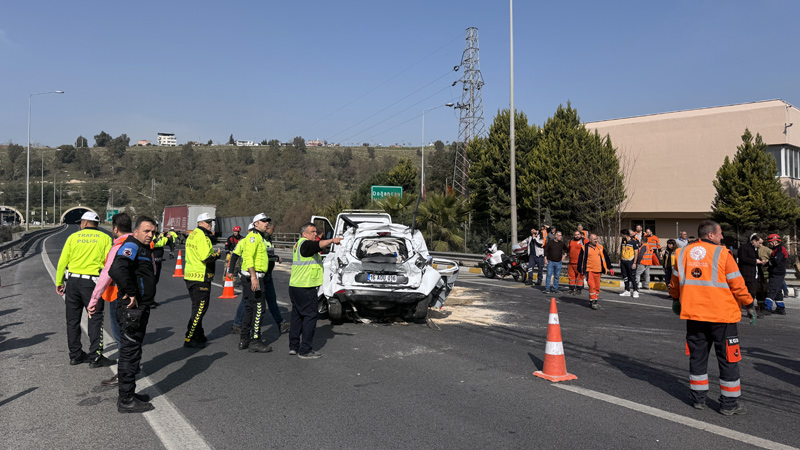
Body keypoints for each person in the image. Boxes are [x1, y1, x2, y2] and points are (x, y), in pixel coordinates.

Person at [669, 220, 755, 415]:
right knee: (728, 359)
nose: (722, 237)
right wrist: (749, 304)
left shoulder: (681, 253)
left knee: (697, 356)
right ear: (710, 235)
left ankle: (698, 400)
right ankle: (729, 404)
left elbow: (674, 282)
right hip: (722, 316)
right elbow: (738, 285)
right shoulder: (722, 253)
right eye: (720, 233)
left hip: (694, 315)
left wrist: (675, 299)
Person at [107, 216, 158, 413]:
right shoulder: (132, 245)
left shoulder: (143, 248)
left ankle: (130, 393)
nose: (150, 235)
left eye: (152, 231)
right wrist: (131, 292)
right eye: (146, 231)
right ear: (135, 231)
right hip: (131, 308)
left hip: (140, 308)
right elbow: (117, 268)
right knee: (129, 352)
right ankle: (126, 399)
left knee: (134, 350)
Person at [55, 211, 114, 368]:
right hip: (93, 283)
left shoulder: (73, 237)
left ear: (86, 223)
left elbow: (62, 261)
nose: (80, 224)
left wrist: (59, 281)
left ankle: (75, 355)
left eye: (81, 222)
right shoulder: (106, 238)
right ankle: (95, 357)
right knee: (95, 318)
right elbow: (109, 262)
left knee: (72, 320)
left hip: (73, 282)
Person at [288, 223, 341, 358]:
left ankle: (294, 346)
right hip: (305, 287)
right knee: (310, 317)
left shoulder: (299, 244)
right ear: (304, 233)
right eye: (312, 232)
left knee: (297, 317)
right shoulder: (305, 244)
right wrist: (332, 240)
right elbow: (316, 246)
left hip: (296, 286)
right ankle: (305, 350)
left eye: (316, 232)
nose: (315, 234)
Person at [88, 213, 132, 355]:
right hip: (137, 295)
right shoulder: (139, 244)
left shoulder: (118, 247)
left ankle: (124, 372)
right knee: (133, 335)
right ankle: (132, 365)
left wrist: (94, 299)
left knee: (120, 335)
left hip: (118, 296)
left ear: (115, 229)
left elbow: (107, 273)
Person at [237, 214, 278, 353]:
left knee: (249, 308)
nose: (267, 223)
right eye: (264, 221)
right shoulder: (254, 237)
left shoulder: (259, 237)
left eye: (268, 221)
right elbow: (248, 257)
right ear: (256, 224)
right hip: (254, 277)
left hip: (251, 277)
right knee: (259, 308)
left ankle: (244, 339)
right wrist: (254, 277)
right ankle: (255, 341)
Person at [183, 213, 221, 348]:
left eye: (211, 222)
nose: (210, 224)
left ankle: (199, 334)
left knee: (196, 307)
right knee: (199, 309)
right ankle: (190, 337)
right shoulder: (203, 237)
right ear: (200, 223)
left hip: (190, 276)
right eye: (208, 222)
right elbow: (206, 257)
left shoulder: (192, 235)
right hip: (200, 277)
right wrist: (217, 254)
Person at [577, 234, 614, 310]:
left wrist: (610, 268)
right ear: (590, 239)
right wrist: (580, 270)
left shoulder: (600, 247)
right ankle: (593, 301)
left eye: (596, 238)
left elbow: (606, 257)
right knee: (592, 286)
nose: (596, 240)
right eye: (594, 239)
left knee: (597, 287)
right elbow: (580, 259)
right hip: (589, 270)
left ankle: (594, 300)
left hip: (598, 271)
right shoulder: (584, 248)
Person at [230, 222, 254, 334]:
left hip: (259, 276)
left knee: (254, 301)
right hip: (247, 275)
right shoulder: (243, 241)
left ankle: (247, 323)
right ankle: (238, 323)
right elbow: (234, 255)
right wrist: (230, 271)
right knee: (246, 300)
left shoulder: (259, 241)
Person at [764, 234, 787, 315]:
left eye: (769, 242)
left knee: (772, 290)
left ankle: (767, 308)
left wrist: (767, 263)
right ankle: (780, 308)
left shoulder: (780, 249)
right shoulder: (776, 249)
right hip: (777, 273)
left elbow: (776, 261)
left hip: (777, 273)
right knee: (778, 291)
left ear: (775, 241)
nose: (768, 244)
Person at [619, 229, 640, 297]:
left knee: (632, 277)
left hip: (630, 261)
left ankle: (635, 291)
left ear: (625, 235)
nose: (621, 236)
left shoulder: (634, 242)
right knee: (625, 277)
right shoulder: (623, 241)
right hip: (623, 261)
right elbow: (621, 251)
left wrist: (634, 263)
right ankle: (627, 290)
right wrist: (620, 260)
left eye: (622, 235)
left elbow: (636, 253)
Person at [567, 230, 588, 295]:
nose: (577, 236)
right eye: (575, 235)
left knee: (580, 277)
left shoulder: (584, 241)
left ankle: (579, 290)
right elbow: (568, 249)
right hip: (571, 263)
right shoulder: (571, 241)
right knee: (571, 277)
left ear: (581, 235)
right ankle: (571, 289)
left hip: (580, 263)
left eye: (578, 234)